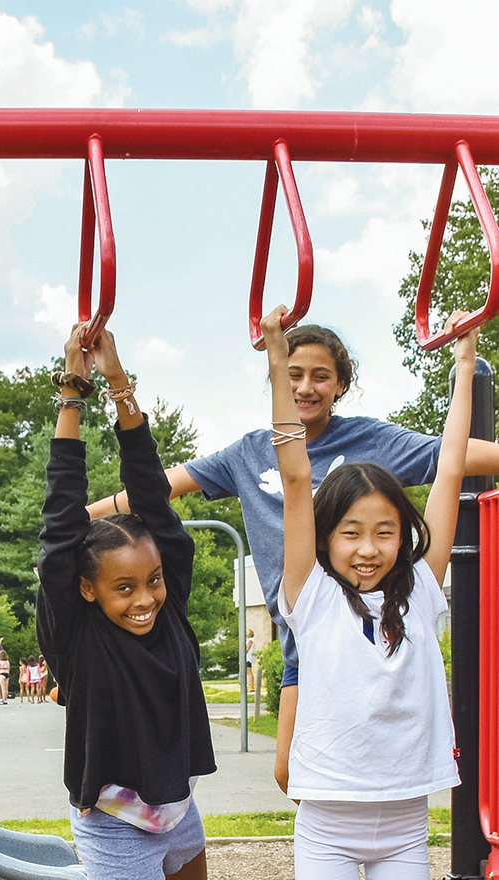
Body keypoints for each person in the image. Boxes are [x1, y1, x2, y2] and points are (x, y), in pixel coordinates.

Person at [38, 322, 274, 880]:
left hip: (174, 808)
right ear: (89, 592)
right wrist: (72, 388)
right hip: (113, 827)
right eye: (123, 589)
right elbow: (66, 519)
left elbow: (151, 499)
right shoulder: (77, 630)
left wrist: (123, 387)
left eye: (152, 584)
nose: (143, 600)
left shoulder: (167, 604)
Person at [262, 304, 476, 880]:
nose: (368, 545)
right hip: (328, 824)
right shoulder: (307, 594)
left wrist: (466, 365)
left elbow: (454, 464)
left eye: (384, 531)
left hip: (401, 826)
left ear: (404, 538)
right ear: (327, 536)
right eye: (352, 531)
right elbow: (294, 460)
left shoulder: (425, 592)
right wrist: (277, 358)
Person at [88, 325, 499, 793]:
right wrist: (82, 518)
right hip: (300, 635)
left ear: (340, 385)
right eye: (294, 374)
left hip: (362, 626)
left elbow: (452, 458)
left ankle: (374, 835)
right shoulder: (248, 453)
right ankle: (338, 841)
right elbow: (160, 486)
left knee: (359, 759)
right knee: (290, 772)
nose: (306, 387)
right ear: (278, 380)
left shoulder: (373, 442)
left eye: (321, 376)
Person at [245, 629, 255, 693]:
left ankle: (251, 687)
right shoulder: (251, 640)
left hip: (248, 658)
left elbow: (247, 648)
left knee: (249, 672)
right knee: (249, 672)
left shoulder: (250, 640)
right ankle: (251, 686)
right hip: (249, 658)